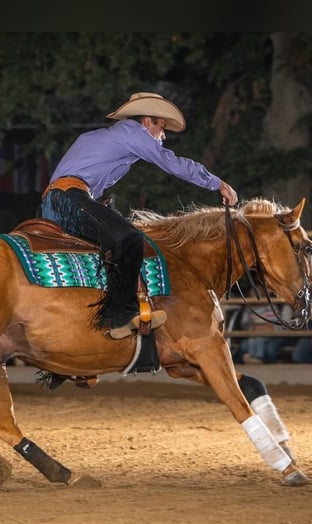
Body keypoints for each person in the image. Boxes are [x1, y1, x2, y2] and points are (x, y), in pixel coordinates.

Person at [39, 92, 238, 339]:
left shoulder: (109, 137)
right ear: (146, 122)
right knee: (130, 240)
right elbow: (171, 163)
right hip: (67, 198)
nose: (163, 136)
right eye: (162, 128)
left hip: (57, 201)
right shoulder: (132, 133)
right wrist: (217, 184)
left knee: (106, 250)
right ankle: (120, 315)